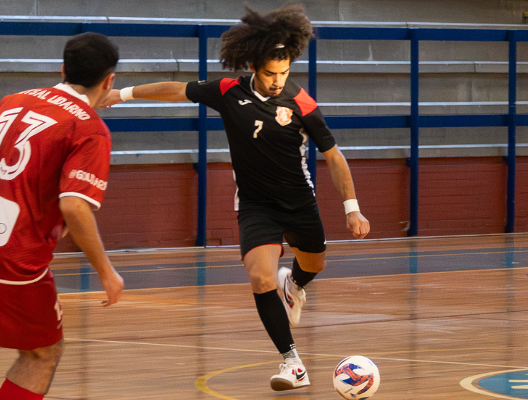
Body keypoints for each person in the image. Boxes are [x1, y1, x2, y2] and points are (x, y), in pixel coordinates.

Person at [103, 4, 369, 391]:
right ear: (255, 66)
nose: (277, 81)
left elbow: (334, 155)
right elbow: (177, 90)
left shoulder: (302, 104)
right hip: (256, 205)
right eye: (271, 73)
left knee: (314, 263)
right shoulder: (229, 91)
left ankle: (294, 285)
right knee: (260, 277)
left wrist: (352, 208)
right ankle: (292, 364)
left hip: (298, 202)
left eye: (284, 73)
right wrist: (122, 94)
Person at [0, 32, 124, 400]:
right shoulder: (89, 128)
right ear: (109, 81)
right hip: (14, 256)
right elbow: (74, 205)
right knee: (42, 353)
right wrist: (106, 271)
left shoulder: (11, 101)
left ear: (62, 69)